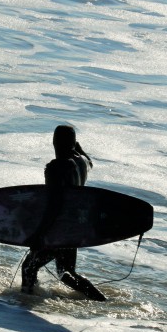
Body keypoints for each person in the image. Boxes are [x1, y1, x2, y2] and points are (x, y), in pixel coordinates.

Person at [20, 125, 106, 301]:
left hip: (58, 227)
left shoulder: (55, 168)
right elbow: (90, 161)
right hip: (74, 226)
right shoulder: (82, 162)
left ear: (53, 142)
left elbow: (54, 204)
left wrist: (39, 234)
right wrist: (80, 150)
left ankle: (24, 305)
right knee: (65, 272)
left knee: (29, 266)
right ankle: (100, 300)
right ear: (74, 144)